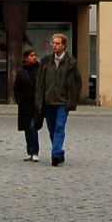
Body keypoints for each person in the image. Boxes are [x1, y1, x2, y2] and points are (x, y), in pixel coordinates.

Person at [37, 32, 83, 167]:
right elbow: (40, 82)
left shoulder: (71, 63)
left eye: (58, 43)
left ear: (64, 46)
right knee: (52, 129)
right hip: (48, 100)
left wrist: (72, 99)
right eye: (54, 43)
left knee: (59, 127)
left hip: (63, 102)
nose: (55, 46)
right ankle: (59, 151)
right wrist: (39, 99)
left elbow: (77, 82)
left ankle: (55, 154)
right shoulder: (46, 61)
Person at [14, 48, 44, 162]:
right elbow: (16, 88)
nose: (34, 57)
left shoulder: (40, 70)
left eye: (35, 55)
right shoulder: (21, 72)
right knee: (27, 128)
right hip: (25, 105)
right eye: (31, 55)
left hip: (36, 104)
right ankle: (29, 151)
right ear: (26, 58)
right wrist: (20, 100)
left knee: (33, 126)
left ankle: (35, 151)